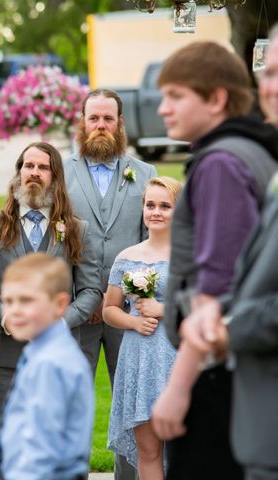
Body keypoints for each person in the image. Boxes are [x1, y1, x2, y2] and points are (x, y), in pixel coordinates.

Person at [153, 29, 278, 480]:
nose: (163, 107)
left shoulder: (221, 164)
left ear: (217, 99)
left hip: (217, 370)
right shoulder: (252, 151)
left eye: (175, 96)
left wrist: (179, 386)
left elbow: (217, 290)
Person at [0, 141, 102, 480]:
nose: (34, 174)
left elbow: (89, 291)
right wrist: (6, 318)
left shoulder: (75, 229)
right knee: (3, 442)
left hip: (59, 350)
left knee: (57, 444)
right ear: (18, 173)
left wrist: (58, 323)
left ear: (55, 177)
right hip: (5, 354)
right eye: (29, 166)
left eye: (43, 168)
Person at [63, 88, 156, 480]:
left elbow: (154, 242)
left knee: (134, 407)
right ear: (82, 123)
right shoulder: (60, 172)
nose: (101, 126)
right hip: (75, 312)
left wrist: (128, 300)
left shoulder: (146, 175)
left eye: (108, 119)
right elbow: (53, 243)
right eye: (94, 118)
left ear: (120, 124)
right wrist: (77, 301)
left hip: (130, 314)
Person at [103, 176, 181, 479]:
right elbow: (109, 310)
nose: (156, 212)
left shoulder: (192, 256)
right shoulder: (127, 257)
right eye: (150, 205)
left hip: (179, 357)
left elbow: (207, 307)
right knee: (148, 450)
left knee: (185, 450)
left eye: (165, 206)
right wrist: (133, 320)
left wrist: (164, 309)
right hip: (139, 359)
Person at [0, 253, 94, 480]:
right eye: (8, 301)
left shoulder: (50, 363)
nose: (15, 310)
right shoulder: (44, 351)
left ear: (60, 304)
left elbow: (42, 447)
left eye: (26, 300)